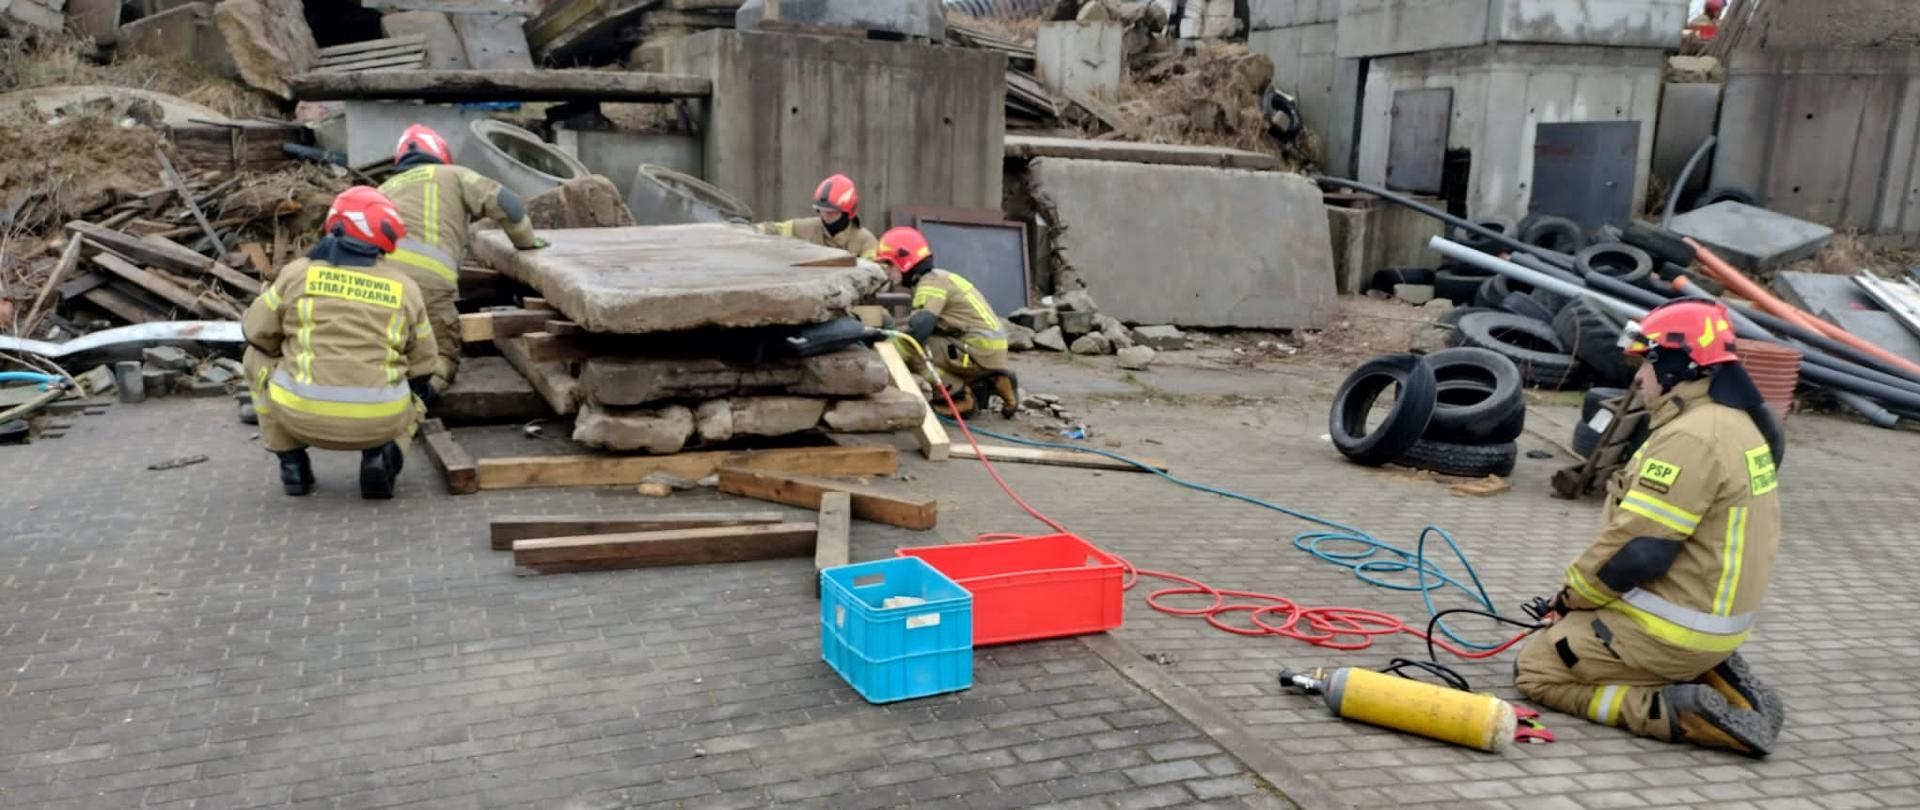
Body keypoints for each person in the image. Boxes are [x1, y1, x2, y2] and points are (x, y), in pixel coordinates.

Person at [1514, 299, 1786, 755]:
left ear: (1677, 366)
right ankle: (1697, 673)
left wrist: (1569, 599)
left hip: (1671, 630)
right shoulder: (1737, 426)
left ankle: (1676, 710)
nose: (1639, 378)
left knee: (1537, 666)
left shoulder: (1689, 437)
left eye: (1646, 364)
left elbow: (1640, 551)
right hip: (1711, 620)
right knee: (1577, 628)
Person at [242, 187, 436, 500]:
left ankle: (292, 464)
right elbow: (425, 363)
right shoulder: (406, 289)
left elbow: (255, 333)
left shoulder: (296, 275)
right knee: (419, 392)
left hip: (300, 416)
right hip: (380, 421)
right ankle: (385, 457)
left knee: (254, 358)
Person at [377, 124, 545, 394]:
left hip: (381, 282)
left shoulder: (383, 188)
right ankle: (421, 400)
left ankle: (379, 398)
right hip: (429, 283)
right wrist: (525, 241)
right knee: (442, 358)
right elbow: (506, 203)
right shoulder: (454, 175)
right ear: (442, 154)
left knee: (389, 347)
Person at [872, 226, 1018, 417]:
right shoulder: (940, 278)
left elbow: (919, 330)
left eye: (889, 266)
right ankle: (993, 379)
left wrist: (884, 355)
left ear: (905, 262)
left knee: (914, 349)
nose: (888, 273)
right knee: (919, 342)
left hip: (977, 347)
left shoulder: (929, 285)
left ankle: (959, 397)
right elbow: (920, 322)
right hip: (986, 348)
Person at [753, 173, 878, 259]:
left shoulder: (866, 241)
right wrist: (743, 229)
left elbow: (877, 276)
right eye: (821, 210)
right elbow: (774, 229)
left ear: (848, 212)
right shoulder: (807, 228)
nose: (824, 215)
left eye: (831, 211)